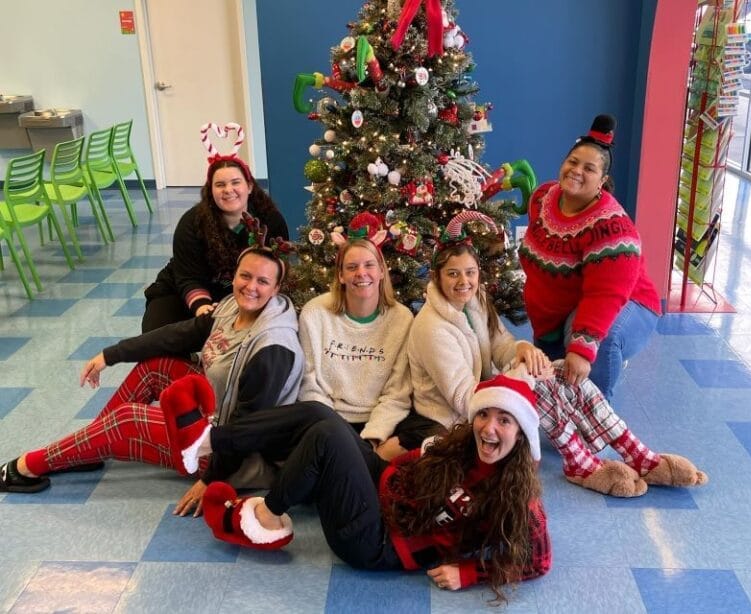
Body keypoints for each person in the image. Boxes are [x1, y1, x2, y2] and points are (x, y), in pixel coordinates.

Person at [174, 373, 550, 603]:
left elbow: (540, 560)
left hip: (379, 543)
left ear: (520, 435)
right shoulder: (464, 444)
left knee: (326, 436)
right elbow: (413, 465)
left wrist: (467, 573)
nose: (489, 428)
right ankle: (209, 441)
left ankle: (267, 517)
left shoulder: (517, 493)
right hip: (389, 496)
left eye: (505, 420)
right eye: (484, 414)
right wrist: (366, 457)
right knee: (317, 413)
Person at [408, 216, 707, 496]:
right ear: (436, 276)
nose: (464, 281)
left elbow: (500, 342)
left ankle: (634, 451)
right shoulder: (432, 328)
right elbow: (463, 398)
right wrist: (521, 379)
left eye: (470, 272)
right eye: (453, 274)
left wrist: (522, 350)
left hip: (484, 399)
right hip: (456, 420)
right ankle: (581, 460)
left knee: (562, 371)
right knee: (541, 385)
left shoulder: (476, 299)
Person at [0, 246, 304, 517]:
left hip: (228, 452)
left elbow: (245, 430)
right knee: (157, 366)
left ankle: (27, 466)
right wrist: (111, 355)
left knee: (128, 419)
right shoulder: (231, 308)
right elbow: (178, 334)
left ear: (277, 288)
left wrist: (209, 479)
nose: (251, 287)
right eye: (245, 276)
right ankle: (88, 447)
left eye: (262, 281)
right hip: (216, 410)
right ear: (234, 275)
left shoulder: (272, 349)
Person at [518, 114, 661, 402]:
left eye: (589, 168)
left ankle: (599, 419)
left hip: (630, 302)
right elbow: (542, 279)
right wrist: (546, 339)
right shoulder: (543, 198)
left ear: (602, 181)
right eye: (572, 162)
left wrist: (582, 350)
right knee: (553, 379)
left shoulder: (612, 229)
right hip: (574, 304)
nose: (576, 171)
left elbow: (605, 294)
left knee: (598, 344)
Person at [296, 212, 440, 460]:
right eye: (351, 267)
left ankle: (366, 460)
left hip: (380, 422)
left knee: (435, 430)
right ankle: (366, 464)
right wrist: (338, 435)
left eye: (369, 265)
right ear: (341, 276)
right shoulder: (314, 314)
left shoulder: (402, 318)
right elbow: (309, 385)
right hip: (328, 420)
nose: (361, 273)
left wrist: (373, 437)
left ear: (382, 271)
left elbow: (397, 393)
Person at [142, 151, 290, 332]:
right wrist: (203, 307)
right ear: (211, 191)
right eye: (220, 184)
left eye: (236, 182)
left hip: (243, 292)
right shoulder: (192, 223)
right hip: (184, 289)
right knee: (157, 333)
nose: (228, 190)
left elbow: (278, 270)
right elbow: (188, 277)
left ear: (249, 186)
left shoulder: (271, 220)